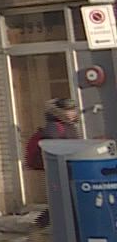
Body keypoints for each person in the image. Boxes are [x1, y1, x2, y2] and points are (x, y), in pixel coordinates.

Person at [24, 97, 84, 230]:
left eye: (73, 109)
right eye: (69, 110)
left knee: (65, 201)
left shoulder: (69, 126)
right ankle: (38, 229)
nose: (73, 112)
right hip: (59, 170)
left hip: (69, 168)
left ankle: (42, 229)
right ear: (60, 111)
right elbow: (54, 148)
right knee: (62, 201)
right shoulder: (54, 128)